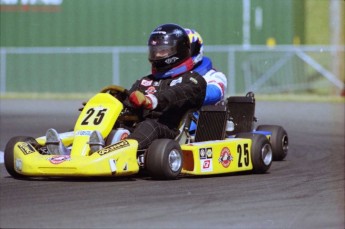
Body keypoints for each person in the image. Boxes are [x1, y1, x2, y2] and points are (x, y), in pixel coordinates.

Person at [45, 23, 207, 154]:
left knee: (149, 126)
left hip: (170, 131)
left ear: (178, 50)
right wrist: (104, 107)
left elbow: (176, 95)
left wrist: (151, 100)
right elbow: (129, 103)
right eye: (155, 51)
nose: (157, 55)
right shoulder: (145, 81)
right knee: (108, 124)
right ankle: (68, 150)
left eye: (162, 51)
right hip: (139, 128)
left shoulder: (193, 80)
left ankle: (111, 153)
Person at [184, 28, 227, 105]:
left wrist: (174, 96)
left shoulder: (213, 76)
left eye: (184, 51)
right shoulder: (163, 77)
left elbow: (215, 92)